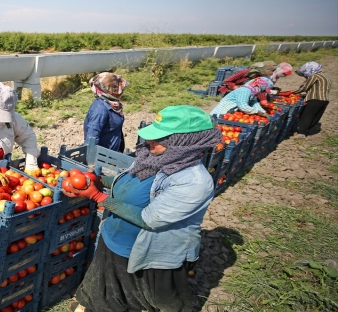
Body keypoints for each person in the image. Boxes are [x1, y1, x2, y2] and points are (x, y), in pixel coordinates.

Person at [64, 105, 222, 312]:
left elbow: (150, 219)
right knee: (108, 278)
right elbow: (128, 181)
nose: (149, 141)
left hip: (148, 251)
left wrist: (97, 196)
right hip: (116, 236)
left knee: (156, 296)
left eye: (159, 138)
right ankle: (99, 303)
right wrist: (99, 180)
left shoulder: (194, 182)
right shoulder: (150, 157)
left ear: (184, 142)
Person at [83, 72, 130, 152]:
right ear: (108, 90)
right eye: (116, 88)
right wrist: (91, 161)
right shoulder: (100, 109)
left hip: (112, 155)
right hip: (103, 158)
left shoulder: (112, 104)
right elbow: (91, 139)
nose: (122, 90)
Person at [291, 62, 332, 138]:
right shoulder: (325, 76)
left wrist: (292, 92)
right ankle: (307, 129)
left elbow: (304, 88)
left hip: (314, 99)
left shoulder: (314, 76)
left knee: (307, 115)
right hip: (325, 99)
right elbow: (318, 88)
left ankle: (301, 133)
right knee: (315, 116)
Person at [218, 61, 293, 103]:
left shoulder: (260, 78)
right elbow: (227, 81)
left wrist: (264, 99)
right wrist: (237, 88)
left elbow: (261, 90)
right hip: (229, 92)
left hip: (243, 94)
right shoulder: (245, 72)